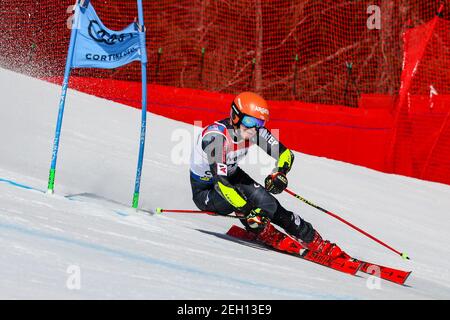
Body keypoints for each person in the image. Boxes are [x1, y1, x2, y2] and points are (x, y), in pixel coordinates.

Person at [189, 92, 346, 258]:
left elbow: (286, 154)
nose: (254, 128)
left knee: (268, 203)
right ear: (236, 116)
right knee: (244, 200)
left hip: (232, 177)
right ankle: (262, 230)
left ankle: (312, 238)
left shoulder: (255, 132)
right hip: (206, 190)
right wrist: (248, 210)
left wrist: (280, 173)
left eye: (260, 122)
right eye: (250, 121)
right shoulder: (215, 137)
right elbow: (221, 183)